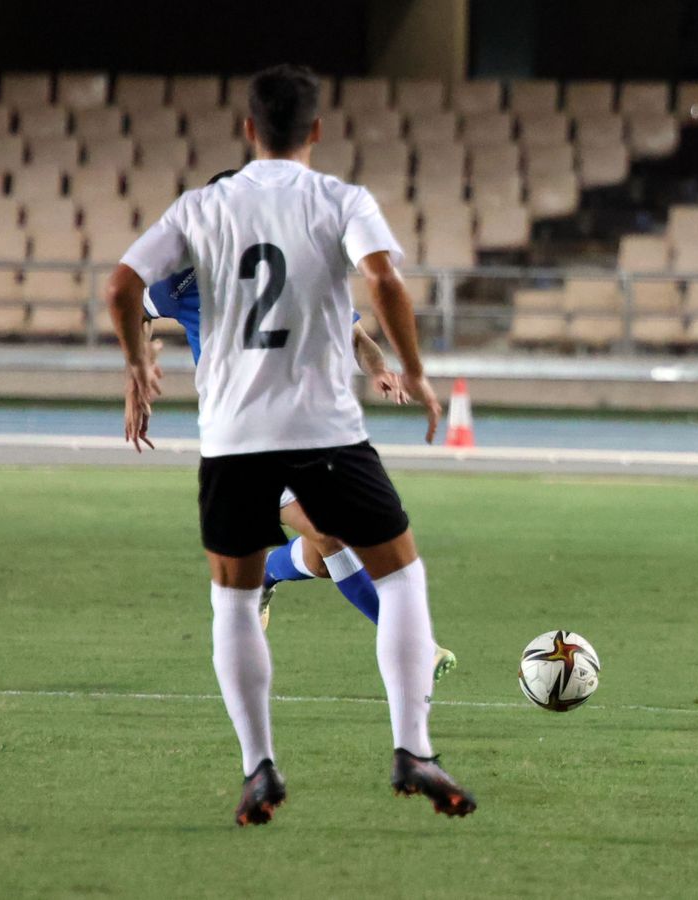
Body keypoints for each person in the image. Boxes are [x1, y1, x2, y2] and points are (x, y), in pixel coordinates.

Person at [105, 63, 476, 824]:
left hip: (235, 434)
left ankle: (259, 768)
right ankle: (413, 748)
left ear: (248, 131)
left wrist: (136, 369)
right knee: (400, 574)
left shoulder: (201, 211)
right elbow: (385, 283)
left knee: (232, 600)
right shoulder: (338, 201)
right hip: (321, 429)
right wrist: (415, 370)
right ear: (315, 130)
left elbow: (122, 288)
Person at [139, 195, 457, 683]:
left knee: (324, 555)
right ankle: (418, 647)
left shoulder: (297, 265)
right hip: (240, 435)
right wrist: (138, 366)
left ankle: (268, 571)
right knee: (329, 534)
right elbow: (133, 303)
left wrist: (380, 370)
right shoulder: (184, 275)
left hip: (307, 425)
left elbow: (352, 335)